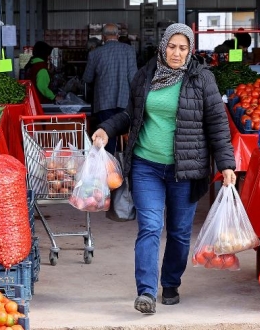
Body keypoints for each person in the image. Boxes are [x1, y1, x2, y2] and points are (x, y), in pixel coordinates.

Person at [90, 23, 236, 315]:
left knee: (180, 233)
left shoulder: (202, 79)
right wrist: (106, 129)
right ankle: (146, 291)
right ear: (163, 46)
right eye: (172, 46)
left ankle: (170, 282)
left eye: (183, 48)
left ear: (190, 50)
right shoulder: (146, 75)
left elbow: (218, 126)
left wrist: (227, 165)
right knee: (150, 228)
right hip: (147, 166)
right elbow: (130, 114)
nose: (176, 53)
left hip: (186, 170)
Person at [82, 23, 137, 154]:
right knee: (126, 135)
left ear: (103, 36)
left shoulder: (95, 54)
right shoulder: (129, 50)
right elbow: (134, 78)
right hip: (125, 101)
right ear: (118, 35)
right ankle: (124, 166)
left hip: (103, 102)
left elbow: (87, 78)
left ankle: (108, 167)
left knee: (107, 135)